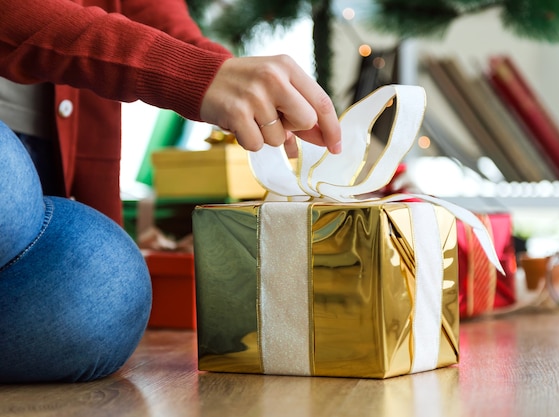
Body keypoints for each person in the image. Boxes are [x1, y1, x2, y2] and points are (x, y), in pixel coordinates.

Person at [0, 0, 341, 383]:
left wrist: (237, 82)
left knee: (109, 289)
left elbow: (156, 17)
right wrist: (191, 74)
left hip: (48, 184)